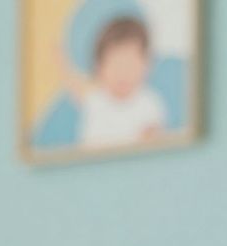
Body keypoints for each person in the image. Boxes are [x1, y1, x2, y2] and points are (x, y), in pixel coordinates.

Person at [65, 14, 167, 149]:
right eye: (115, 65)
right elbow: (73, 84)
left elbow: (154, 138)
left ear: (146, 65)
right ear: (99, 68)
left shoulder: (148, 103)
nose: (122, 74)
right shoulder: (95, 99)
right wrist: (58, 56)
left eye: (130, 65)